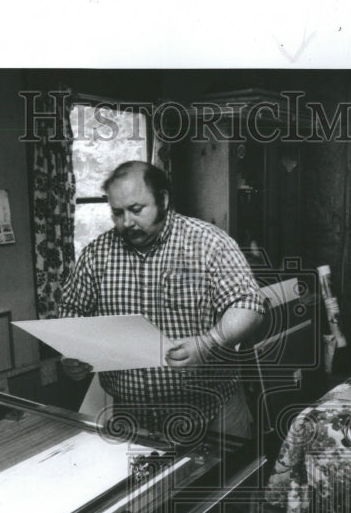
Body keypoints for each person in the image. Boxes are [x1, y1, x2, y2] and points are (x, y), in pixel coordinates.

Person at [58, 160, 266, 439]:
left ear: (163, 199)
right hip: (132, 416)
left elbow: (248, 304)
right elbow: (72, 309)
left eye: (136, 209)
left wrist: (209, 342)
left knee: (222, 483)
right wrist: (73, 353)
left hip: (211, 412)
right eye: (117, 213)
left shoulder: (208, 243)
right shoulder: (97, 255)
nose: (127, 222)